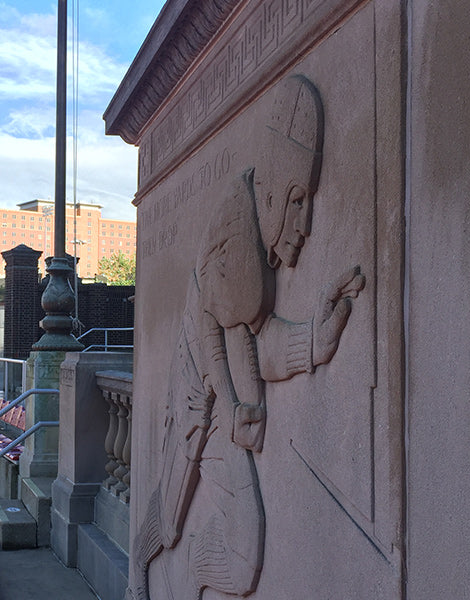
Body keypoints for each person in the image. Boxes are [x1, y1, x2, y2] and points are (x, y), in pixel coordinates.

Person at [129, 75, 365, 600]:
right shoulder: (235, 235)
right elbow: (223, 341)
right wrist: (233, 407)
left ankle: (185, 576)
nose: (304, 224)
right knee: (167, 516)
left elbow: (253, 343)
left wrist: (312, 343)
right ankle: (136, 580)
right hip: (201, 410)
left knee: (239, 554)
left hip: (223, 413)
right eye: (298, 202)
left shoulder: (254, 239)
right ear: (276, 193)